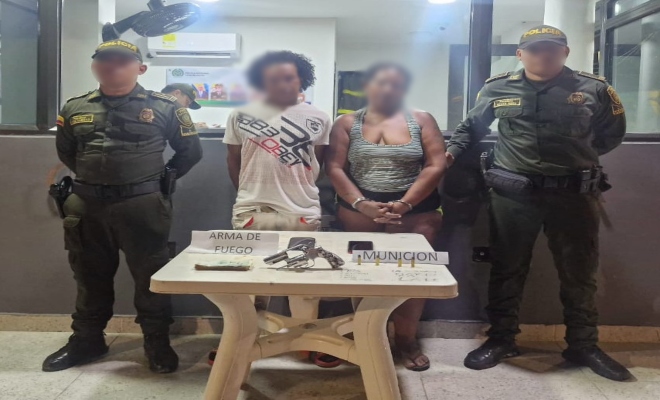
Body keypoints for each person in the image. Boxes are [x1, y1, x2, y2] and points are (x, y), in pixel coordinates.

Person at [446, 25, 630, 381]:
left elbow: (611, 135)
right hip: (514, 195)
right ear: (520, 55)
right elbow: (471, 128)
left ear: (565, 52)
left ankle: (583, 345)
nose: (543, 55)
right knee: (507, 268)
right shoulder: (497, 87)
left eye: (551, 49)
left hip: (574, 195)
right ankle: (501, 339)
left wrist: (573, 159)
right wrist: (449, 155)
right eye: (534, 50)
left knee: (579, 273)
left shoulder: (593, 89)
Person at [44, 40, 203, 374]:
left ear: (140, 68)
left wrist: (160, 180)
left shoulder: (165, 107)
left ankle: (157, 342)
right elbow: (67, 152)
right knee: (88, 274)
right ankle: (87, 340)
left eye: (122, 60)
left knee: (152, 276)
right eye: (104, 59)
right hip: (87, 205)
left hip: (142, 205)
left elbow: (190, 152)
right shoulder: (73, 107)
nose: (112, 65)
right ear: (94, 65)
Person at [208, 50, 332, 367]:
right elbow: (233, 161)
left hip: (302, 211)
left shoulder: (318, 117)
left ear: (301, 80)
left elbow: (318, 164)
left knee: (304, 282)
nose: (280, 82)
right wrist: (250, 193)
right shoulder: (241, 114)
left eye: (288, 76)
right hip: (252, 210)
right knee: (248, 283)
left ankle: (304, 343)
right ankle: (241, 344)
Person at [325, 62, 447, 371]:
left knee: (413, 277)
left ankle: (406, 340)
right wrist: (361, 203)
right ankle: (366, 337)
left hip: (416, 213)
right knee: (361, 275)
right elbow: (335, 167)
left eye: (396, 83)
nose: (388, 89)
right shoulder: (346, 122)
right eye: (381, 83)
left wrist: (405, 203)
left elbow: (436, 164)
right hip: (359, 213)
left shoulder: (421, 119)